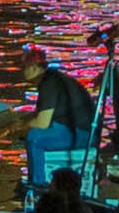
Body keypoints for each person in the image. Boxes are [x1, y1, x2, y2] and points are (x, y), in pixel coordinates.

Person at [16, 43, 95, 189]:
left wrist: (21, 126)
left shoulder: (49, 84)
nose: (22, 71)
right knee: (32, 134)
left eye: (24, 67)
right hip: (77, 130)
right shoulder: (53, 79)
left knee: (35, 137)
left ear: (34, 68)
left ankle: (36, 185)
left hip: (81, 134)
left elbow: (42, 123)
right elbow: (43, 114)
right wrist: (25, 121)